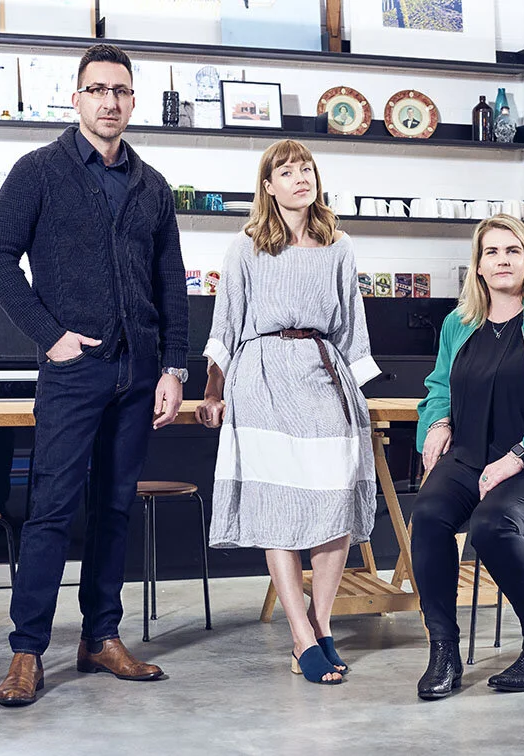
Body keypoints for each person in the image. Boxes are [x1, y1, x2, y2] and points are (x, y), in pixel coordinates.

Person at [0, 43, 188, 707]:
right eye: (97, 90)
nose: (110, 102)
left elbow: (170, 282)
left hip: (138, 371)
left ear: (133, 100)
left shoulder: (151, 184)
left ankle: (101, 636)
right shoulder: (38, 171)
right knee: (52, 508)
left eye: (121, 91)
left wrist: (173, 366)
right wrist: (50, 337)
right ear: (75, 99)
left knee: (115, 508)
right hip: (74, 374)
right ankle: (26, 650)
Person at [195, 139, 380, 686]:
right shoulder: (246, 248)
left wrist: (359, 396)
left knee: (335, 499)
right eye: (286, 170)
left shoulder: (339, 246)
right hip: (262, 377)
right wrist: (212, 390)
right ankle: (301, 636)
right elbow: (224, 326)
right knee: (277, 502)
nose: (300, 177)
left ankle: (320, 626)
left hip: (323, 370)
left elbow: (352, 329)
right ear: (268, 186)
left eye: (307, 169)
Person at [412, 214, 524, 699]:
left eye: (512, 250)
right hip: (473, 457)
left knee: (491, 524)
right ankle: (443, 651)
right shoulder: (459, 324)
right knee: (428, 513)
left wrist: (517, 456)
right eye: (491, 252)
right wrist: (437, 423)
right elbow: (437, 388)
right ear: (477, 266)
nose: (502, 260)